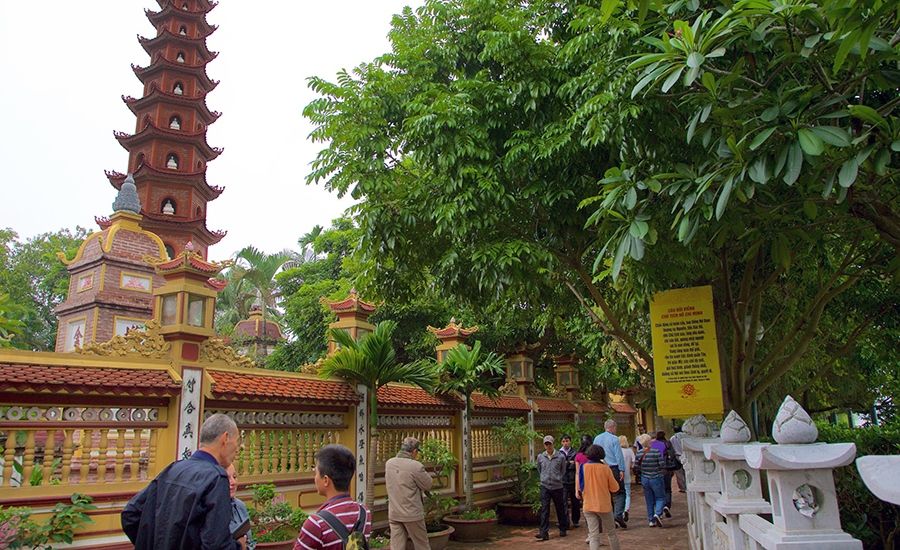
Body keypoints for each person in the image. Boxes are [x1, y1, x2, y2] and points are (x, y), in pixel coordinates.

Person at [121, 413, 246, 550]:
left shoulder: (172, 469)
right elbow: (216, 544)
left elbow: (131, 514)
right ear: (225, 438)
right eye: (236, 441)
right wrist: (239, 546)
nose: (237, 449)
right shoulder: (215, 478)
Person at [294, 444, 371, 550]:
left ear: (326, 480)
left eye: (316, 473)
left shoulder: (316, 523)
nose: (315, 478)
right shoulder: (364, 513)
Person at [385, 437, 433, 550]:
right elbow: (427, 485)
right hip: (412, 514)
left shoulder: (389, 463)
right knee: (421, 545)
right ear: (414, 451)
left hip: (394, 512)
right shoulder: (415, 466)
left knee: (397, 546)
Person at [576, 445, 621, 550]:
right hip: (603, 505)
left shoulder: (583, 467)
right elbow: (615, 488)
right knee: (611, 533)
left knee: (593, 535)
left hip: (588, 504)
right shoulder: (605, 469)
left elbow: (580, 487)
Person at [593, 420, 626, 528]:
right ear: (612, 427)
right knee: (621, 492)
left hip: (601, 468)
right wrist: (622, 469)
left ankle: (610, 519)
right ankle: (618, 514)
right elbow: (618, 455)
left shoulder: (597, 438)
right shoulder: (614, 439)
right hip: (613, 467)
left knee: (607, 494)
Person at [535, 435, 568, 541]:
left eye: (550, 444)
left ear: (553, 444)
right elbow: (539, 469)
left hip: (557, 486)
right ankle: (543, 531)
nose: (548, 446)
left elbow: (563, 470)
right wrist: (544, 478)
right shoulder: (540, 457)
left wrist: (558, 478)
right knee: (545, 509)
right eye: (546, 444)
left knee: (560, 508)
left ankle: (563, 528)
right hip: (545, 486)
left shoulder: (560, 457)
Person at [636, 433, 666, 528]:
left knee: (649, 499)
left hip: (645, 478)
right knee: (660, 497)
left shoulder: (639, 453)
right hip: (656, 477)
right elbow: (662, 464)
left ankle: (651, 520)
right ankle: (657, 513)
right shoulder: (655, 452)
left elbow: (636, 467)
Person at [227, 464, 255, 549]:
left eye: (234, 477)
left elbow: (250, 541)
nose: (233, 482)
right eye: (227, 478)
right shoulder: (212, 510)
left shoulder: (240, 505)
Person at [558, 434, 580, 529]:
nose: (565, 443)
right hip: (563, 480)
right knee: (563, 502)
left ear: (570, 442)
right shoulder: (559, 453)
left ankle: (575, 520)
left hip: (573, 479)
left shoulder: (575, 452)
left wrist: (567, 465)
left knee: (575, 501)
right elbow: (559, 466)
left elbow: (575, 465)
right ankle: (565, 522)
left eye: (567, 441)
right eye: (563, 441)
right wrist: (568, 463)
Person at [651, 431, 673, 517]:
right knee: (667, 489)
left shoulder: (649, 446)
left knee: (657, 492)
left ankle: (658, 510)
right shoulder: (664, 444)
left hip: (654, 470)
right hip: (665, 468)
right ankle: (667, 505)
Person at [618, 435, 634, 523]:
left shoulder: (617, 451)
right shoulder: (629, 451)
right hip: (627, 475)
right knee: (627, 494)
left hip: (618, 475)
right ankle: (626, 509)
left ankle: (619, 511)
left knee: (619, 494)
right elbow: (633, 463)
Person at [670, 426, 687, 492]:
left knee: (679, 473)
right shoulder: (684, 437)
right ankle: (687, 485)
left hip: (677, 456)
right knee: (686, 471)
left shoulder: (672, 438)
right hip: (685, 455)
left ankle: (682, 487)